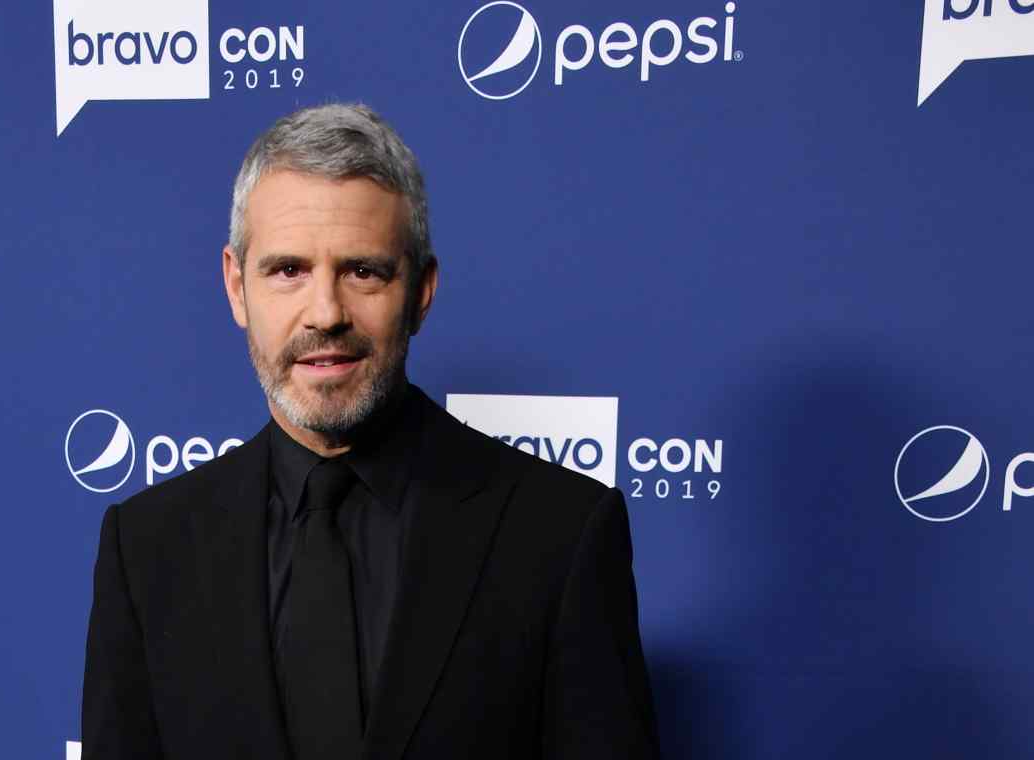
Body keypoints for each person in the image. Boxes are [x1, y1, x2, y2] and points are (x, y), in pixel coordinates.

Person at [81, 103, 660, 760]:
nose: (325, 313)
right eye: (288, 270)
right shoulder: (147, 548)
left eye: (363, 271)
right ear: (237, 287)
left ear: (421, 291)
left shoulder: (560, 533)